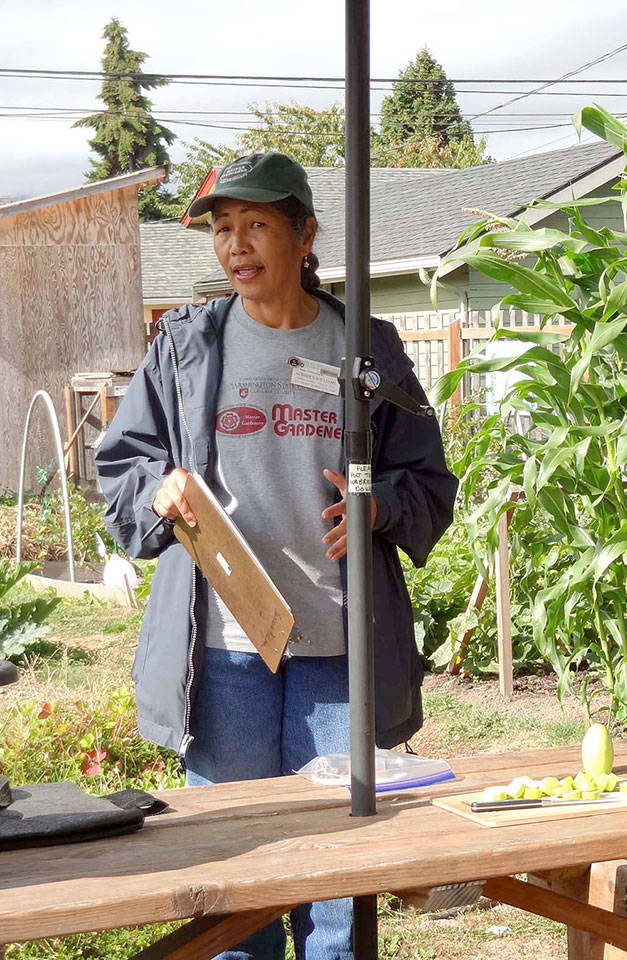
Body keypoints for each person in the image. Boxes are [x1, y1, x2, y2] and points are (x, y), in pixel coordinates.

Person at [96, 152, 458, 960]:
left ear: (304, 234)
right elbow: (122, 464)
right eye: (223, 229)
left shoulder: (367, 346)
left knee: (337, 888)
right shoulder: (185, 348)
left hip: (338, 648)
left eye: (256, 224)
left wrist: (379, 506)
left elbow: (428, 483)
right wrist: (158, 487)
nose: (236, 246)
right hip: (222, 652)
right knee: (240, 881)